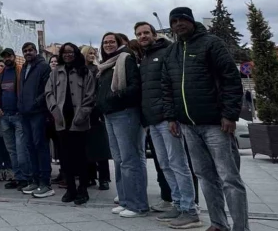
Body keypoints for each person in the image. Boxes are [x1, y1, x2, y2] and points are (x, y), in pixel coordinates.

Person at [162, 7, 248, 231]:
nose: (179, 24)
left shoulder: (211, 43)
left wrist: (229, 114)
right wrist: (171, 117)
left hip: (216, 124)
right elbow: (167, 87)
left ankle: (241, 227)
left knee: (229, 178)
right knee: (204, 177)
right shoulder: (172, 52)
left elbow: (231, 78)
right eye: (174, 21)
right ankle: (218, 224)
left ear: (191, 21)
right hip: (188, 126)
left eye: (183, 20)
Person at [136, 21, 200, 228]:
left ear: (154, 34)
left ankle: (190, 209)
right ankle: (178, 203)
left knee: (178, 163)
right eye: (139, 34)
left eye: (146, 32)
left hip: (167, 118)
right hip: (152, 120)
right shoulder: (145, 58)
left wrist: (172, 116)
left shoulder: (167, 51)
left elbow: (173, 84)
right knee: (164, 164)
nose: (142, 36)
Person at [98, 32, 149, 218]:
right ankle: (126, 200)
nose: (108, 44)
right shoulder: (107, 64)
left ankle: (138, 205)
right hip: (110, 115)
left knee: (129, 160)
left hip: (125, 113)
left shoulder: (125, 59)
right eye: (105, 42)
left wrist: (115, 97)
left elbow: (135, 87)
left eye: (112, 41)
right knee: (119, 160)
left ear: (119, 43)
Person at [46, 43, 95, 206]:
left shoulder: (84, 71)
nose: (67, 55)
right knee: (65, 157)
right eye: (64, 52)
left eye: (71, 52)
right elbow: (49, 93)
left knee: (80, 156)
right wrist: (54, 109)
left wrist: (83, 113)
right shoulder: (55, 73)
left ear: (76, 53)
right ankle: (70, 188)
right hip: (61, 120)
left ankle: (83, 190)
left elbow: (90, 95)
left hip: (79, 120)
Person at [19, 42, 54, 198]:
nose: (28, 53)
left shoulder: (43, 67)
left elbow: (47, 90)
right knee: (30, 147)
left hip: (38, 112)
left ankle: (45, 183)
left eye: (30, 50)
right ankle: (35, 180)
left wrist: (35, 104)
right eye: (25, 51)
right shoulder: (24, 68)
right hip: (25, 113)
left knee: (40, 146)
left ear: (36, 51)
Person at [0, 47, 30, 190]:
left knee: (21, 150)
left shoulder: (20, 71)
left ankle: (27, 177)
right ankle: (18, 177)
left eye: (9, 56)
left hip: (18, 115)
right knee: (11, 150)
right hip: (5, 116)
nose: (7, 58)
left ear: (14, 57)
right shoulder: (1, 73)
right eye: (5, 57)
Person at [80, 46, 111, 191]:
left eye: (94, 53)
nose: (92, 55)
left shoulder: (98, 69)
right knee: (86, 148)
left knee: (100, 147)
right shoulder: (80, 70)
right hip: (82, 112)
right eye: (89, 53)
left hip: (95, 112)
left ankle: (104, 178)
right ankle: (90, 176)